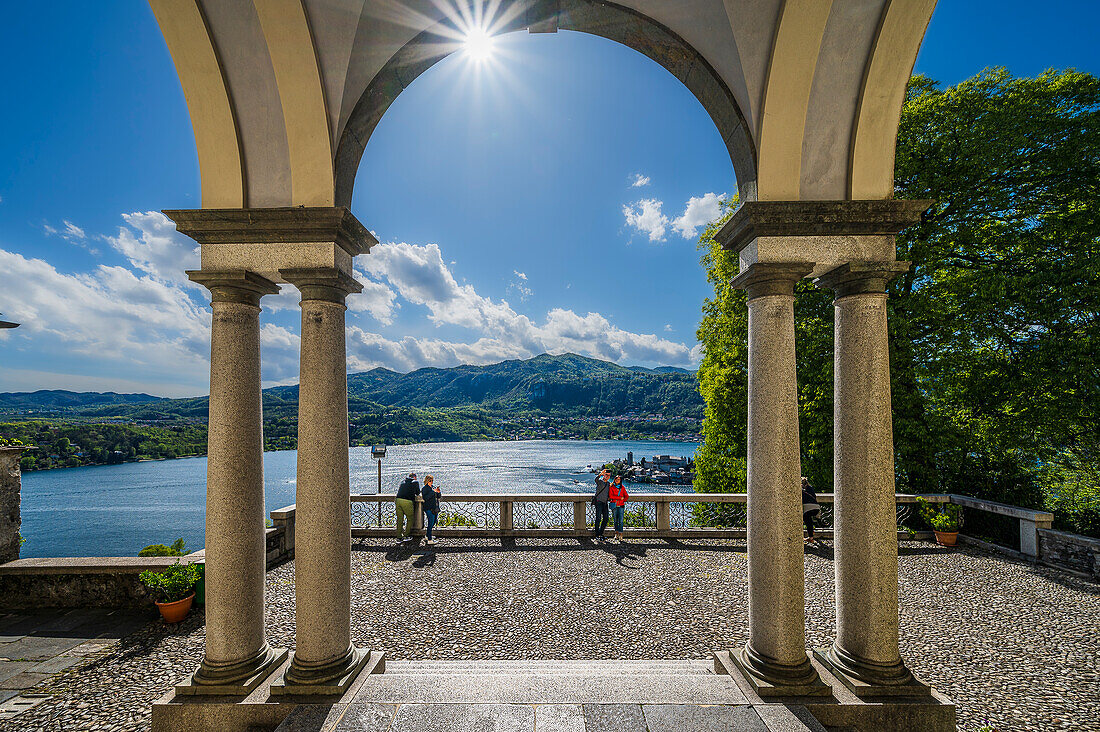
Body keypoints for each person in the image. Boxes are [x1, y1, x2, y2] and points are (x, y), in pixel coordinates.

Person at [395, 472, 419, 544]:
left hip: (398, 500)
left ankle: (399, 537)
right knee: (410, 518)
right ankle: (406, 535)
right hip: (407, 501)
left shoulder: (402, 482)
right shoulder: (415, 482)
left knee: (400, 519)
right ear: (414, 477)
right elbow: (417, 492)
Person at [609, 474, 629, 541]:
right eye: (616, 479)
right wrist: (620, 498)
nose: (617, 480)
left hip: (621, 506)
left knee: (620, 521)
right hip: (614, 506)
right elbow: (611, 496)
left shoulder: (622, 487)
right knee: (615, 520)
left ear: (620, 481)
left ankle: (620, 534)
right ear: (614, 480)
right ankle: (616, 533)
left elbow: (626, 496)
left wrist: (622, 500)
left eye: (618, 480)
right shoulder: (611, 487)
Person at [422, 474, 441, 546]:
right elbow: (425, 498)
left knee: (433, 522)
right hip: (428, 508)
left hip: (435, 508)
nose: (432, 482)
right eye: (430, 480)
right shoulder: (424, 489)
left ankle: (427, 536)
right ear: (427, 481)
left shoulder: (433, 487)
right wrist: (433, 492)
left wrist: (438, 492)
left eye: (432, 480)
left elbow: (439, 497)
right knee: (430, 523)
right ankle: (429, 540)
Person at [592, 469, 611, 541]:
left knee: (606, 519)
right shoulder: (599, 482)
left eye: (609, 475)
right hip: (599, 502)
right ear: (604, 475)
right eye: (606, 475)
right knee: (598, 518)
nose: (607, 476)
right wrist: (600, 474)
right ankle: (597, 534)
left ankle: (601, 533)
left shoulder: (608, 484)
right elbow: (596, 479)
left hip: (605, 503)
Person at [802, 476, 820, 543]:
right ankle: (811, 533)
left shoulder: (802, 490)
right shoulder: (811, 488)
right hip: (817, 508)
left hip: (808, 508)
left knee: (806, 520)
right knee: (808, 520)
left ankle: (810, 537)